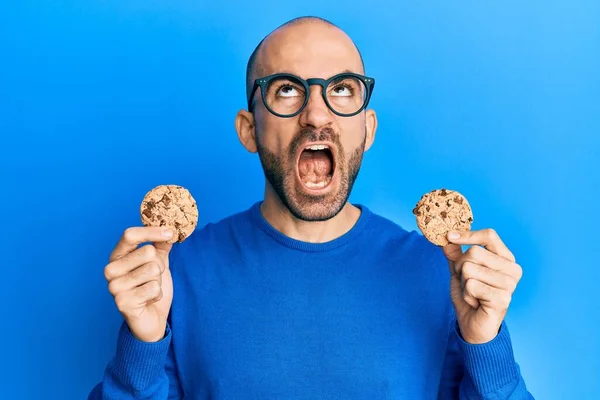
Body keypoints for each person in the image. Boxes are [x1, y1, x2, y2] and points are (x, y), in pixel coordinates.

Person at [89, 16, 534, 399]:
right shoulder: (179, 274)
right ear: (249, 130)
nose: (317, 115)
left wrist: (484, 342)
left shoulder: (439, 273)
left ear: (367, 128)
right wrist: (142, 346)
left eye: (341, 89)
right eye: (286, 90)